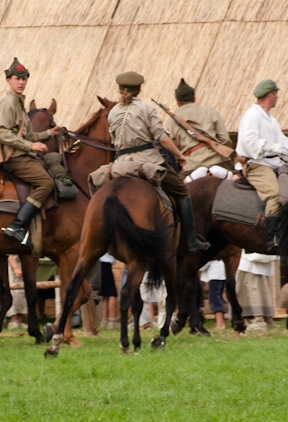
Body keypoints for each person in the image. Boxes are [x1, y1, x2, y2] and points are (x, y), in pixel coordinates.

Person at [108, 71, 208, 252]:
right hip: (146, 160)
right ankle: (191, 240)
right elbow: (162, 139)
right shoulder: (146, 109)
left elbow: (114, 139)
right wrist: (179, 155)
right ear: (139, 89)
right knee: (182, 190)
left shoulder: (113, 111)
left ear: (120, 89)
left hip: (120, 163)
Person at [0, 58, 61, 251]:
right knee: (47, 182)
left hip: (22, 154)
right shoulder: (9, 103)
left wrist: (49, 134)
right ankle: (17, 225)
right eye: (17, 78)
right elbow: (2, 133)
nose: (21, 82)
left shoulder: (18, 102)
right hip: (15, 158)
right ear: (8, 80)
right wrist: (31, 146)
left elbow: (29, 134)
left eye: (24, 79)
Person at [236, 79, 288, 250]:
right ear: (270, 95)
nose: (277, 98)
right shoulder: (252, 115)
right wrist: (270, 147)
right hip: (257, 165)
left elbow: (281, 141)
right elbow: (248, 141)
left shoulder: (271, 120)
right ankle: (273, 238)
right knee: (274, 194)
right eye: (276, 94)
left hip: (273, 164)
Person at [167, 78, 233, 178]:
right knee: (242, 183)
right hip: (218, 162)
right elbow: (225, 140)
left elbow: (172, 150)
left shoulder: (171, 122)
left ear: (177, 102)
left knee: (176, 192)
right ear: (194, 99)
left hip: (192, 166)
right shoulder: (210, 112)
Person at [236, 250, 277, 331]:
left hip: (251, 262)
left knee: (253, 289)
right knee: (263, 289)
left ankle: (259, 319)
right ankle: (267, 318)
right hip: (257, 260)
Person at [199, 259, 227, 330]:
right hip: (223, 272)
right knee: (219, 296)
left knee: (214, 297)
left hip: (215, 274)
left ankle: (220, 324)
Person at [6, 255, 28, 328]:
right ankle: (14, 320)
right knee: (15, 291)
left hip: (23, 259)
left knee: (23, 292)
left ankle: (19, 320)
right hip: (14, 261)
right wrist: (15, 267)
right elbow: (8, 253)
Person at [99, 253, 119, 330]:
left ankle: (104, 320)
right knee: (112, 293)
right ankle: (112, 320)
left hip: (100, 265)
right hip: (106, 265)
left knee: (105, 295)